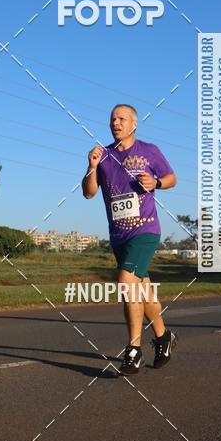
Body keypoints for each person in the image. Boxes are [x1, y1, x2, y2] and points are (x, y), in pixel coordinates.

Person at [82, 104, 178, 375]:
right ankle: (163, 337)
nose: (116, 123)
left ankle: (133, 351)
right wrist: (90, 167)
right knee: (142, 289)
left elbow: (172, 178)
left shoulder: (149, 150)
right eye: (113, 119)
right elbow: (88, 193)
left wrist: (156, 183)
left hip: (145, 231)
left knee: (127, 283)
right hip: (118, 236)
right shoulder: (104, 156)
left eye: (122, 119)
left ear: (134, 124)